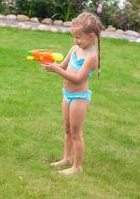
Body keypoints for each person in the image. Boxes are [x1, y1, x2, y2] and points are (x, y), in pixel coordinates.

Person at [42, 12, 104, 175]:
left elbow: (77, 78)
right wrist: (52, 65)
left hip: (78, 98)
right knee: (67, 129)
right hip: (67, 94)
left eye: (78, 37)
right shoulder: (75, 49)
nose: (75, 40)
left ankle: (77, 167)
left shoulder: (91, 57)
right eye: (74, 37)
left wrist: (57, 70)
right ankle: (66, 158)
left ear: (91, 36)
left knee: (76, 133)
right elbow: (63, 66)